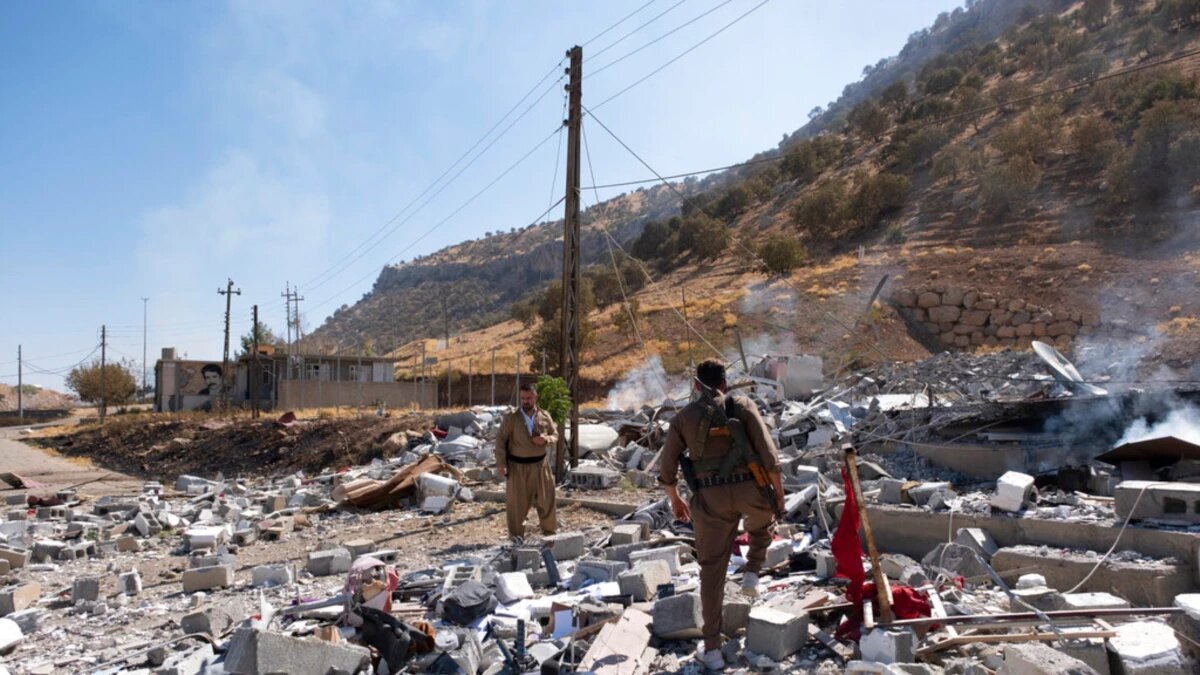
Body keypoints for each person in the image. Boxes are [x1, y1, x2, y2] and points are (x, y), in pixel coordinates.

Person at [658, 359, 785, 671]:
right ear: (725, 383)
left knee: (711, 570)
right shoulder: (742, 405)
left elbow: (667, 467)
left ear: (696, 386)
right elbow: (770, 459)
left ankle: (712, 649)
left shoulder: (683, 417)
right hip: (750, 491)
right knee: (762, 523)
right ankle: (753, 569)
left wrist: (674, 498)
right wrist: (778, 500)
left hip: (710, 497)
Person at [495, 383, 559, 541]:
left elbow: (555, 435)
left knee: (547, 501)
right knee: (517, 505)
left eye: (529, 398)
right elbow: (500, 440)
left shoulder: (544, 416)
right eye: (523, 398)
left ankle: (550, 537)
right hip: (518, 468)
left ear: (535, 397)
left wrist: (545, 440)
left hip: (540, 467)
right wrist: (501, 463)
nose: (525, 401)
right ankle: (516, 539)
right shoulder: (512, 418)